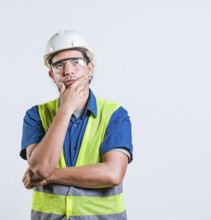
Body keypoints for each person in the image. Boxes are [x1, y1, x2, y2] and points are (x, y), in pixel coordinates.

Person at [20, 29, 133, 220]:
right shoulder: (36, 115)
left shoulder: (115, 115)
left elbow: (112, 174)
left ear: (90, 68)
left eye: (76, 62)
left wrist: (50, 176)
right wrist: (66, 109)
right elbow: (40, 167)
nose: (68, 71)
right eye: (59, 65)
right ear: (52, 75)